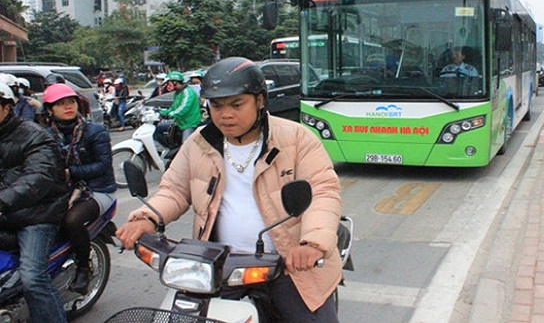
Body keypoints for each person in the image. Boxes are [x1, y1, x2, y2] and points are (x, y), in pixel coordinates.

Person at [116, 57, 342, 322]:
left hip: (286, 264)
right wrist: (147, 217)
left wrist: (312, 243)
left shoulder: (296, 138)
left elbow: (322, 192)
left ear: (259, 100)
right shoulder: (199, 143)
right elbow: (174, 190)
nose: (225, 114)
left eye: (237, 104)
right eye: (216, 105)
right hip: (219, 265)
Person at [0, 82, 69, 323]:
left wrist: (2, 201)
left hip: (37, 213)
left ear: (7, 107)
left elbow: (37, 178)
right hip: (6, 212)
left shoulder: (35, 136)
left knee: (32, 278)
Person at [42, 83, 116, 295]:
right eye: (61, 104)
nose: (68, 107)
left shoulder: (95, 132)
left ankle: (84, 267)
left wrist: (70, 172)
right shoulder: (46, 135)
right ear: (49, 109)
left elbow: (103, 165)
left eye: (71, 102)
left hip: (97, 190)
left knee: (71, 220)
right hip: (62, 190)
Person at [158, 71, 201, 143]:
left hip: (189, 124)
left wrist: (170, 115)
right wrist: (161, 112)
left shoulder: (188, 92)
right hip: (180, 123)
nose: (168, 85)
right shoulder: (178, 93)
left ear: (175, 82)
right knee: (159, 128)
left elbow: (183, 108)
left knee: (186, 146)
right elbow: (174, 108)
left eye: (169, 83)